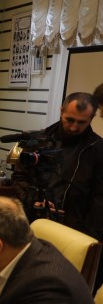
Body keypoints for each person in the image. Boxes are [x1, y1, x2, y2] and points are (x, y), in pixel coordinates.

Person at [14, 92, 103, 240]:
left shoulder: (98, 149)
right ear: (61, 112)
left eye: (81, 122)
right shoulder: (39, 140)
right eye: (70, 120)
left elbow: (99, 197)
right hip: (33, 221)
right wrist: (33, 199)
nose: (74, 127)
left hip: (74, 231)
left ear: (91, 118)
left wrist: (89, 236)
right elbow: (19, 176)